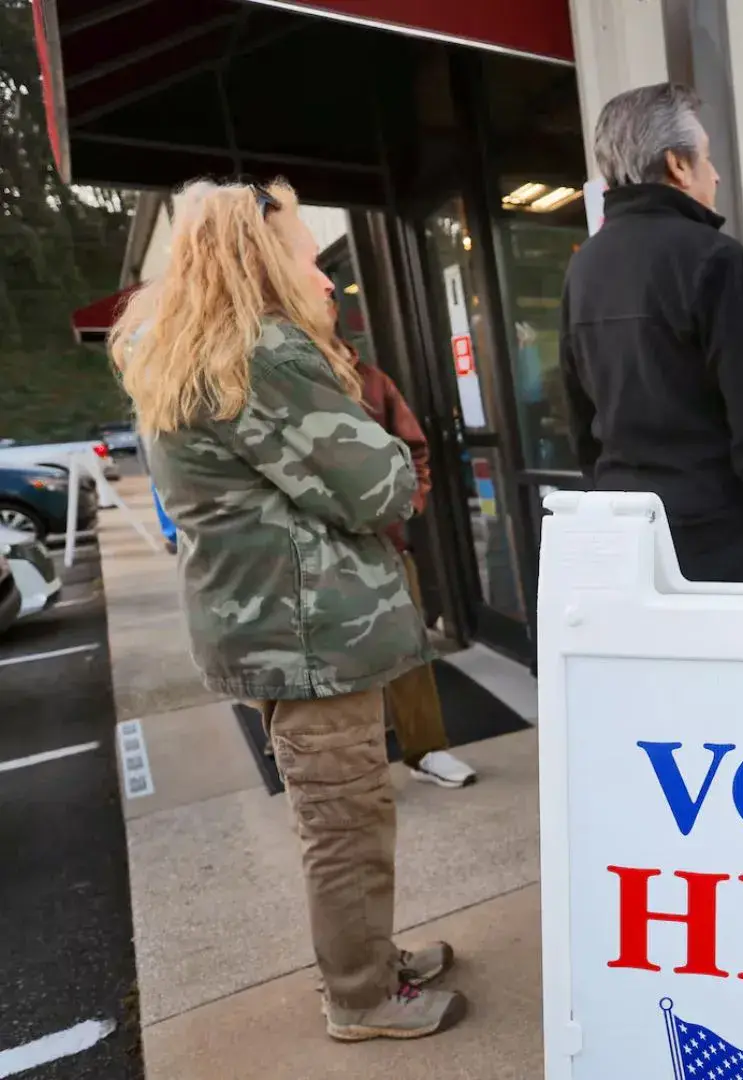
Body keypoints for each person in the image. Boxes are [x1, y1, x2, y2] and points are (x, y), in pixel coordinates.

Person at [110, 179, 461, 1040]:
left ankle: (370, 965)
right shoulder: (260, 357)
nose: (328, 276)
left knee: (352, 811)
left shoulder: (199, 351)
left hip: (279, 629)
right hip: (309, 638)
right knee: (344, 823)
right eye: (311, 257)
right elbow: (379, 483)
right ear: (262, 261)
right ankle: (362, 997)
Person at [560, 83, 743, 583]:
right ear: (677, 164)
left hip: (622, 538)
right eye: (707, 158)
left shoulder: (583, 270)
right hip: (715, 541)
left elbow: (580, 419)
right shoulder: (718, 262)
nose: (714, 174)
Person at [345, 334, 476, 789]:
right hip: (307, 555)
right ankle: (346, 772)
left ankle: (426, 750)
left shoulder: (367, 379)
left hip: (385, 545)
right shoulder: (270, 378)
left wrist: (409, 503)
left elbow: (414, 447)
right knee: (329, 669)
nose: (326, 288)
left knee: (408, 651)